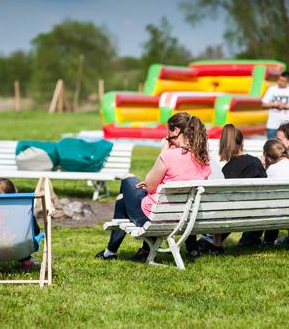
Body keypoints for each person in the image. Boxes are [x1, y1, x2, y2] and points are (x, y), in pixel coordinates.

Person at [95, 112, 212, 261]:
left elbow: (150, 187)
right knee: (125, 196)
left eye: (169, 134)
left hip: (156, 218)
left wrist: (163, 151)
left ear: (176, 131)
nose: (168, 138)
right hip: (185, 217)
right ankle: (127, 251)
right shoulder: (204, 158)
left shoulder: (169, 156)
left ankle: (111, 252)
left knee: (126, 181)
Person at [197, 124, 267, 253]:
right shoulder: (256, 162)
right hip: (261, 212)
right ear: (242, 142)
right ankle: (250, 239)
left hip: (235, 215)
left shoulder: (227, 169)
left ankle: (212, 242)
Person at [0, 178, 40, 270]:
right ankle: (26, 261)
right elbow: (35, 231)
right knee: (21, 239)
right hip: (19, 247)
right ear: (14, 194)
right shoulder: (21, 212)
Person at [262, 71, 289, 139]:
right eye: (279, 79)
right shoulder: (272, 90)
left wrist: (285, 106)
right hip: (272, 126)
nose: (280, 82)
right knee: (271, 147)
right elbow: (263, 105)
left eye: (282, 81)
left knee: (287, 147)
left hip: (288, 126)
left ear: (287, 82)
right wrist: (274, 104)